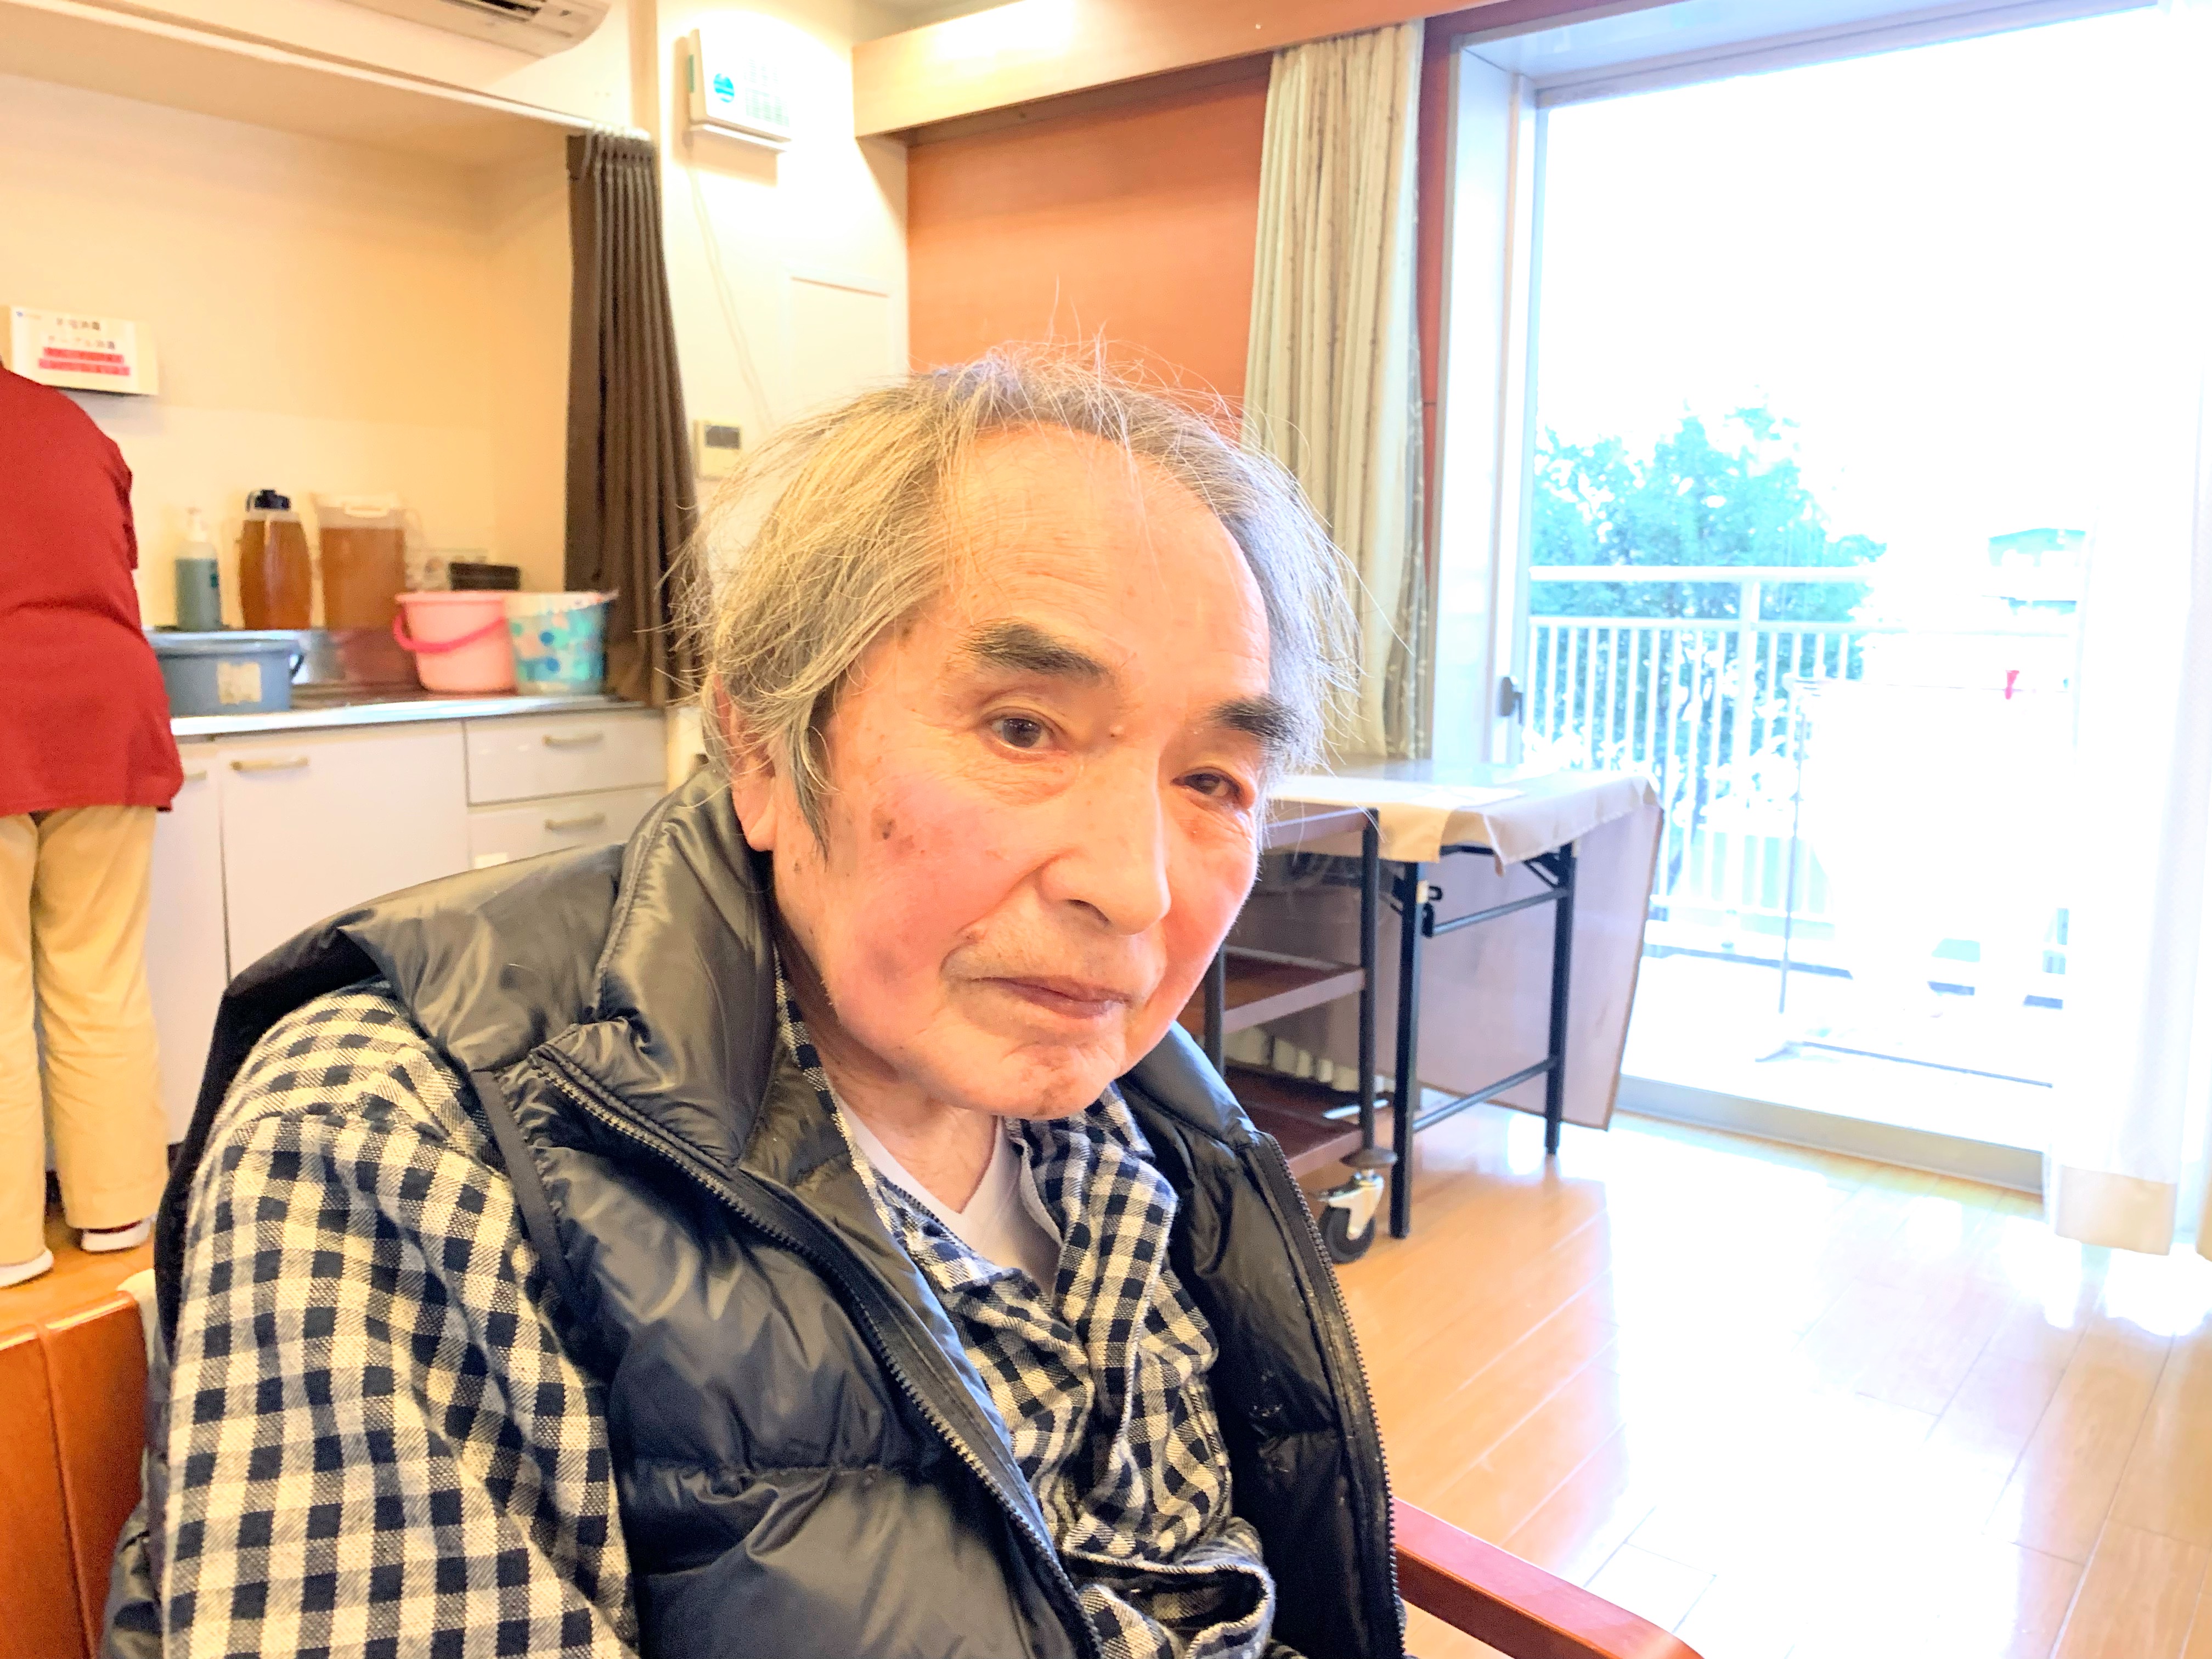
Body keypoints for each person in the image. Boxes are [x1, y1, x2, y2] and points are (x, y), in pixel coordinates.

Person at [108, 355, 1402, 1659]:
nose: (1137, 890)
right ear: (766, 749)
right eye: (1023, 730)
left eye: (1215, 780)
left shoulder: (1144, 1112)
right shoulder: (393, 1134)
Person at [0, 363, 182, 1289]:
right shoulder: (71, 424)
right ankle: (120, 1211)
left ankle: (8, 1243)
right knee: (100, 975)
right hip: (105, 710)